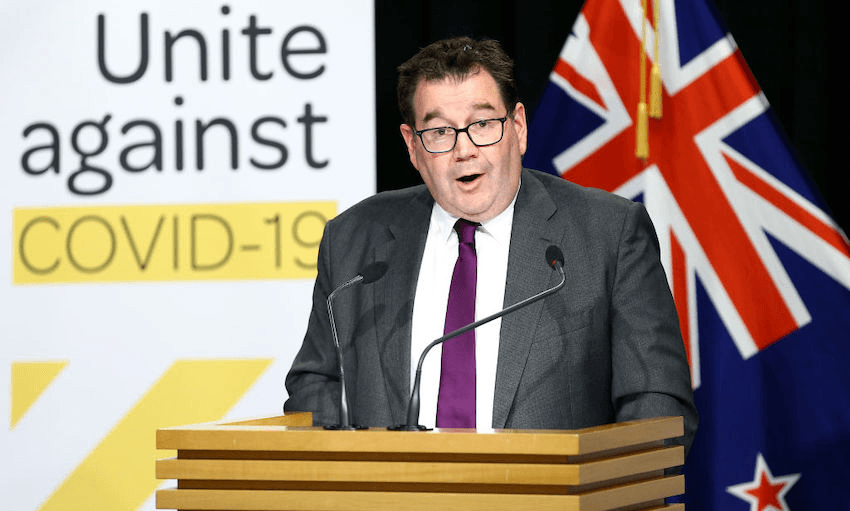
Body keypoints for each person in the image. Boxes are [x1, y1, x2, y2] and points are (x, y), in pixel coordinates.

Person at [284, 36, 697, 454]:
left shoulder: (608, 234)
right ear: (412, 146)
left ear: (517, 128)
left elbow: (657, 405)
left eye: (482, 125)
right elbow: (315, 386)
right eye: (440, 131)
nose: (464, 150)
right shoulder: (355, 240)